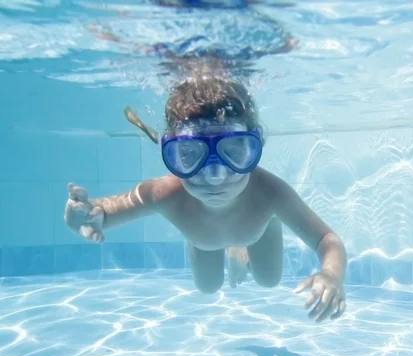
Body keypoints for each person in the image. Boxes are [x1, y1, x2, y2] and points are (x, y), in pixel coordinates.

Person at [64, 71, 347, 323]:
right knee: (208, 287)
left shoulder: (269, 193)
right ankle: (229, 246)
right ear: (172, 154)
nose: (214, 176)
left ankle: (243, 250)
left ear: (256, 146)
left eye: (234, 151)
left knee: (269, 280)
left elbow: (327, 240)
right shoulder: (165, 193)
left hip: (257, 233)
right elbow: (101, 213)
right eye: (190, 154)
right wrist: (84, 216)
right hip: (203, 239)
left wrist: (331, 275)